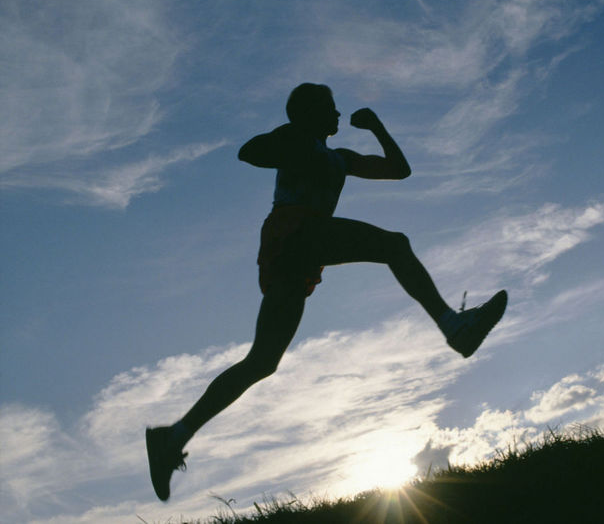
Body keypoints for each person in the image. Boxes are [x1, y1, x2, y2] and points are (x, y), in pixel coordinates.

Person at [145, 83, 507, 501]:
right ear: (310, 113)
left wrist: (377, 126)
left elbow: (398, 170)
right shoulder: (296, 139)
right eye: (331, 109)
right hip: (294, 234)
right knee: (394, 245)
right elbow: (249, 151)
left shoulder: (339, 158)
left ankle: (173, 436)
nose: (338, 115)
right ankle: (453, 327)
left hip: (298, 255)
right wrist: (292, 136)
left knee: (262, 361)